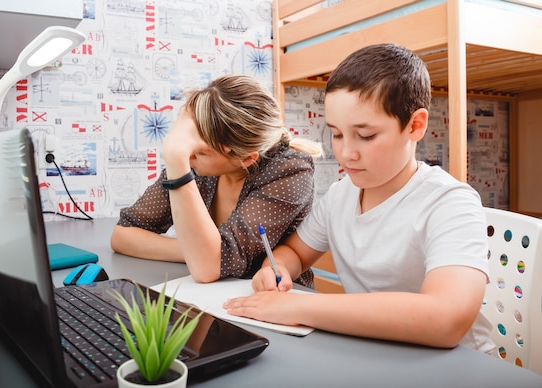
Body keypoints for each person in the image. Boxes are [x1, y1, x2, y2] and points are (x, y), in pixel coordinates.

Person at [223, 43, 495, 353]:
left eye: (365, 136)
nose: (345, 153)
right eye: (337, 134)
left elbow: (446, 320)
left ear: (415, 125)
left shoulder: (450, 203)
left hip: (459, 366)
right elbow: (295, 253)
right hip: (380, 352)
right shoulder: (341, 195)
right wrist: (277, 269)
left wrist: (296, 307)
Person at [110, 74, 323, 286]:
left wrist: (203, 254)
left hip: (272, 302)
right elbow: (122, 235)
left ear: (246, 159)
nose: (186, 156)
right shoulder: (196, 166)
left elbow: (208, 268)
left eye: (200, 153)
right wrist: (195, 251)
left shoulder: (290, 171)